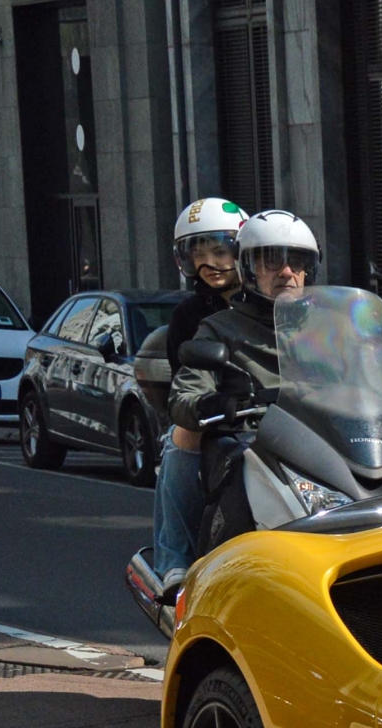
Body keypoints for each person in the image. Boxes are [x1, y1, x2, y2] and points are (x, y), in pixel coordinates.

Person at [170, 209, 319, 548]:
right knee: (185, 441)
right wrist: (212, 402)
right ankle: (182, 561)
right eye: (271, 262)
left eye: (297, 262)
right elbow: (185, 394)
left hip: (324, 447)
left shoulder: (329, 327)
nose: (287, 272)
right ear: (248, 269)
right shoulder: (219, 328)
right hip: (255, 447)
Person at [149, 198, 247, 581]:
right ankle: (174, 560)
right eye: (198, 254)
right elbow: (184, 383)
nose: (210, 264)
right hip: (221, 416)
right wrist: (210, 403)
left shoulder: (275, 304)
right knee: (183, 435)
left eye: (220, 251)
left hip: (283, 413)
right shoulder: (189, 315)